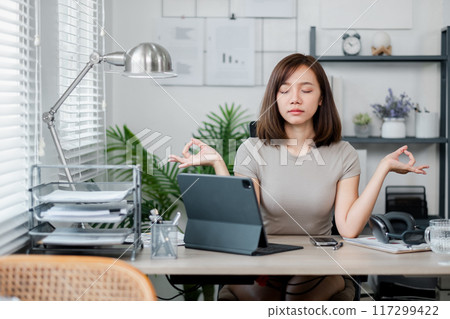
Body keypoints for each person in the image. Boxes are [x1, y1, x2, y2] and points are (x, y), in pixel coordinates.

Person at [168, 53, 429, 301]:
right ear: (275, 98)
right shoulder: (252, 149)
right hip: (266, 258)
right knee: (266, 296)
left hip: (319, 260)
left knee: (298, 290)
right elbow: (240, 220)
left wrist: (383, 168)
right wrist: (218, 164)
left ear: (321, 98)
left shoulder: (344, 153)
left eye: (305, 90)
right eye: (284, 91)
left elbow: (349, 228)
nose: (295, 99)